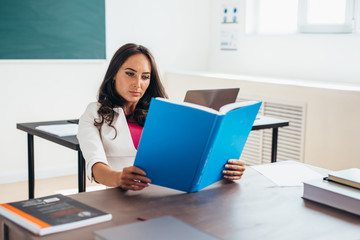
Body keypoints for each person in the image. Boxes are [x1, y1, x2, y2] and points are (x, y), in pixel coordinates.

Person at [77, 43, 246, 191]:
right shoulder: (94, 113)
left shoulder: (162, 112)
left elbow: (186, 158)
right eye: (130, 74)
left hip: (170, 193)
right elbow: (96, 167)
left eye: (145, 77)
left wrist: (224, 168)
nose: (138, 84)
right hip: (123, 197)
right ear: (114, 74)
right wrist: (118, 178)